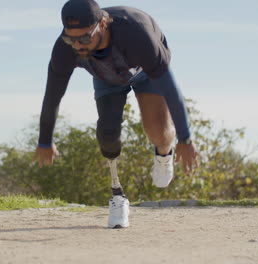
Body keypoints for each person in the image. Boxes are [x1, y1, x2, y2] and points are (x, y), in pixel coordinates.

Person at [33, 0, 199, 228]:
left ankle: (163, 154)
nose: (78, 46)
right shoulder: (65, 50)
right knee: (108, 134)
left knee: (158, 132)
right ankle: (118, 196)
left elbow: (170, 90)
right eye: (71, 38)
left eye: (84, 38)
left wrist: (185, 138)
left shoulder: (137, 37)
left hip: (146, 73)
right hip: (107, 77)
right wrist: (45, 140)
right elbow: (52, 95)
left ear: (103, 24)